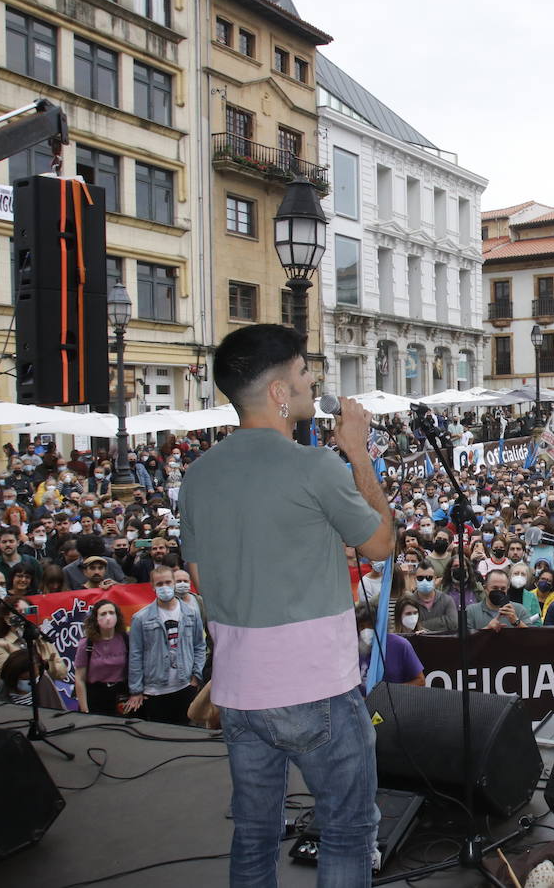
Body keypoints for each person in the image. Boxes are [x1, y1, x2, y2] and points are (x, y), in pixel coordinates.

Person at [179, 324, 393, 884]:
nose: (312, 379)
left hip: (239, 692)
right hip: (316, 688)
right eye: (303, 371)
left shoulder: (197, 476)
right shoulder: (315, 465)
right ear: (279, 392)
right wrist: (358, 453)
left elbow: (201, 579)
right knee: (347, 832)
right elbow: (381, 545)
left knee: (253, 834)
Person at [126, 566, 206, 724]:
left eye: (168, 582)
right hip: (155, 689)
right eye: (159, 584)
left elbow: (199, 645)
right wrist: (136, 690)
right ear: (152, 586)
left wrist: (196, 676)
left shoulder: (191, 613)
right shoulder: (140, 618)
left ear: (174, 583)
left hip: (185, 685)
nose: (164, 587)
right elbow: (135, 654)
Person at [74, 598, 129, 715]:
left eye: (111, 613)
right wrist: (85, 709)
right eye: (103, 614)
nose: (108, 617)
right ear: (96, 618)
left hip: (120, 697)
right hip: (95, 696)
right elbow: (79, 679)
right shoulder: (86, 644)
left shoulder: (126, 639)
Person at [355, 603, 424, 687]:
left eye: (371, 625)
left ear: (381, 625)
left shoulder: (400, 645)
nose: (366, 631)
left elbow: (420, 681)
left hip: (393, 698)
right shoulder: (353, 647)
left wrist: (390, 694)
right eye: (362, 627)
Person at [467, 569, 533, 630]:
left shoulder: (519, 610)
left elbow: (531, 636)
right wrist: (487, 629)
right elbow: (467, 640)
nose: (499, 591)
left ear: (507, 589)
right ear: (485, 588)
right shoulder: (471, 611)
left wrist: (516, 621)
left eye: (503, 589)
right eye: (495, 588)